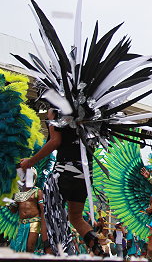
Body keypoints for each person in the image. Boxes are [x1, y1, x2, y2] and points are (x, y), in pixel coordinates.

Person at [19, 108, 106, 256]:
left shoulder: (55, 109)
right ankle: (98, 249)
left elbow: (55, 141)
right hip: (84, 175)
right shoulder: (91, 110)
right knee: (76, 218)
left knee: (48, 214)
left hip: (64, 171)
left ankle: (51, 253)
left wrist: (30, 161)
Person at [8, 168, 47, 253]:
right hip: (21, 224)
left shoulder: (37, 191)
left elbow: (43, 210)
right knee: (17, 247)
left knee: (30, 247)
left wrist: (44, 227)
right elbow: (13, 210)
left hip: (34, 222)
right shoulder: (18, 194)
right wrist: (10, 200)